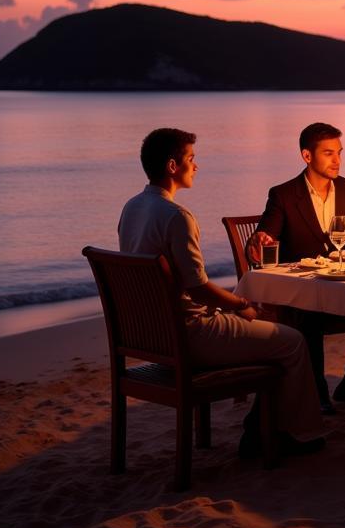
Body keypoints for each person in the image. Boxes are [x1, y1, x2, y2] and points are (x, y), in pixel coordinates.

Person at [118, 127, 325, 458]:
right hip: (192, 336)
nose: (196, 165)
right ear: (173, 166)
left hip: (154, 336)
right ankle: (299, 433)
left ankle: (266, 425)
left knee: (274, 333)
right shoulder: (177, 217)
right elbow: (198, 289)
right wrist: (241, 304)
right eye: (191, 158)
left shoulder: (132, 208)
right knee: (293, 341)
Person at [247, 122, 345, 414]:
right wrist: (260, 240)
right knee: (309, 316)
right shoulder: (283, 195)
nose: (337, 160)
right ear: (307, 156)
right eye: (329, 153)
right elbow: (264, 239)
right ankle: (318, 395)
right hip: (300, 296)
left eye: (340, 153)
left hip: (343, 288)